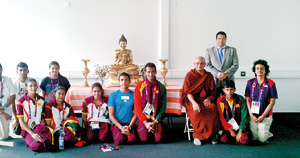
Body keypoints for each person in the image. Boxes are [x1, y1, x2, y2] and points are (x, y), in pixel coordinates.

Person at [181, 56, 220, 146]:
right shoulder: (189, 75)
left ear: (205, 65)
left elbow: (213, 90)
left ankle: (212, 135)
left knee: (213, 108)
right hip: (192, 100)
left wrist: (209, 99)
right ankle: (198, 136)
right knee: (196, 112)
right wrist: (194, 103)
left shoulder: (209, 75)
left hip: (205, 100)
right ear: (194, 64)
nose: (199, 65)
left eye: (202, 63)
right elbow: (187, 92)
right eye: (197, 63)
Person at [245, 59, 278, 143]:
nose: (260, 70)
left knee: (262, 139)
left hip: (265, 115)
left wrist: (263, 115)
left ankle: (267, 132)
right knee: (254, 138)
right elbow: (247, 100)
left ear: (266, 70)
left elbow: (272, 102)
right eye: (257, 68)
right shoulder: (249, 82)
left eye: (262, 68)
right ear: (255, 71)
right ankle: (263, 130)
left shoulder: (271, 83)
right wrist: (251, 114)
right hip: (253, 114)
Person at [16, 78, 52, 151]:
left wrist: (42, 122)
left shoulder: (42, 99)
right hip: (27, 130)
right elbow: (21, 121)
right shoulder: (20, 102)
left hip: (39, 128)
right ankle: (29, 140)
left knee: (49, 143)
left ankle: (31, 140)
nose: (33, 88)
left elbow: (42, 114)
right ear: (26, 88)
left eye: (35, 85)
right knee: (37, 146)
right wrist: (32, 133)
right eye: (30, 86)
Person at [135, 62, 167, 143]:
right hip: (143, 118)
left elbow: (163, 106)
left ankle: (156, 127)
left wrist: (156, 120)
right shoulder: (139, 87)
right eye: (148, 72)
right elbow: (138, 107)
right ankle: (145, 128)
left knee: (159, 139)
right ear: (145, 73)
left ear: (156, 72)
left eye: (153, 71)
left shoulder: (161, 87)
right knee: (144, 139)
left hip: (155, 118)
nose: (151, 74)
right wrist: (145, 123)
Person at [205, 31, 239, 97]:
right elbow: (207, 65)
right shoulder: (209, 51)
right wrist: (219, 74)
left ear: (226, 39)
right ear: (216, 39)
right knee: (215, 100)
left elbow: (235, 65)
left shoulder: (232, 50)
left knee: (228, 101)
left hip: (228, 80)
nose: (221, 40)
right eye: (219, 38)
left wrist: (226, 74)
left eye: (223, 38)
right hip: (214, 80)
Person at [108, 72, 138, 145]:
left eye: (126, 80)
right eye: (122, 80)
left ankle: (127, 132)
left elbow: (135, 114)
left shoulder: (134, 95)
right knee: (119, 141)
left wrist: (129, 127)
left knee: (132, 140)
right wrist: (121, 128)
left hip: (129, 124)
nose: (124, 82)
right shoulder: (113, 95)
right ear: (119, 81)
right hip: (117, 124)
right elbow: (111, 115)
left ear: (129, 81)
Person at [216, 80, 250, 144]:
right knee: (224, 139)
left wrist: (240, 131)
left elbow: (245, 116)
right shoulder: (220, 100)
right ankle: (234, 137)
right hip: (228, 126)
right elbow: (221, 118)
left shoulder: (240, 99)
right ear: (223, 90)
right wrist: (231, 130)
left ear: (235, 89)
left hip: (239, 125)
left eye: (231, 89)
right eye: (227, 90)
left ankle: (238, 137)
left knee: (245, 140)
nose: (229, 92)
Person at [13, 62, 41, 135]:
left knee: (37, 127)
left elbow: (36, 98)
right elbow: (13, 102)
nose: (23, 72)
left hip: (30, 109)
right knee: (16, 130)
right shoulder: (14, 84)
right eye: (20, 70)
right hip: (19, 109)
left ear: (28, 71)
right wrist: (16, 119)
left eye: (24, 70)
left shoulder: (33, 82)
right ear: (17, 72)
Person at [0, 63, 16, 140]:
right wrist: (2, 113)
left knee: (4, 137)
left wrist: (4, 107)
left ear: (1, 70)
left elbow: (13, 96)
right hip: (3, 112)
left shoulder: (7, 80)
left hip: (5, 109)